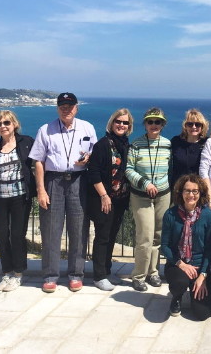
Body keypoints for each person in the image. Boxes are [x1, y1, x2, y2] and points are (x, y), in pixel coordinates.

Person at [29, 92, 97, 293]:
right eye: (62, 106)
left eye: (69, 105)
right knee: (51, 230)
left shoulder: (87, 128)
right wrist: (41, 190)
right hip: (53, 181)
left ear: (76, 107)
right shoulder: (45, 129)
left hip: (79, 181)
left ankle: (76, 275)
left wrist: (88, 158)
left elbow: (94, 153)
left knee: (79, 229)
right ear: (57, 108)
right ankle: (50, 275)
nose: (66, 109)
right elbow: (38, 161)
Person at [0, 110, 35, 292]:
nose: (3, 126)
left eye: (6, 123)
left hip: (20, 197)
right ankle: (7, 273)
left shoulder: (27, 142)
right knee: (1, 236)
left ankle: (18, 274)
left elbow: (42, 161)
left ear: (14, 125)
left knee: (17, 235)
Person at [125, 107, 171, 292]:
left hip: (163, 195)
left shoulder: (168, 144)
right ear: (145, 124)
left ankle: (153, 272)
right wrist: (145, 184)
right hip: (141, 196)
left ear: (162, 124)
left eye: (157, 122)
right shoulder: (136, 144)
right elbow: (128, 169)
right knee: (145, 236)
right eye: (150, 121)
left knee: (158, 236)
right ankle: (138, 275)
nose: (154, 125)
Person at [87, 108, 133, 291]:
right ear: (112, 123)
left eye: (125, 122)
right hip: (104, 199)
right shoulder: (103, 145)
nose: (121, 125)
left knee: (112, 235)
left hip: (120, 199)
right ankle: (98, 276)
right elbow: (94, 173)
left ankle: (106, 271)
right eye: (118, 121)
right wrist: (104, 196)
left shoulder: (126, 144)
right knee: (103, 236)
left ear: (129, 126)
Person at [161, 174, 211, 320]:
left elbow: (210, 249)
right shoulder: (171, 214)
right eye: (187, 190)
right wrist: (181, 264)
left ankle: (195, 291)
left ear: (200, 193)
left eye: (195, 191)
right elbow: (164, 246)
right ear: (181, 192)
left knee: (202, 314)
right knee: (179, 282)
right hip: (178, 263)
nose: (191, 195)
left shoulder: (208, 215)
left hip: (199, 267)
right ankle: (177, 297)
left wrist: (203, 275)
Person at [169, 109, 208, 189]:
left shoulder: (207, 143)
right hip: (178, 188)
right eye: (190, 124)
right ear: (185, 126)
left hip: (198, 189)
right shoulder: (176, 141)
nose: (194, 127)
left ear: (202, 127)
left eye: (197, 124)